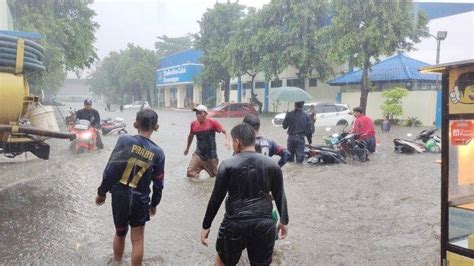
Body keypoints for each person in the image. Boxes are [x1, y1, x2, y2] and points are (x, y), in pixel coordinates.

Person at [200, 123, 289, 266]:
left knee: (222, 263)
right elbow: (280, 195)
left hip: (235, 224)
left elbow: (216, 197)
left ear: (237, 142)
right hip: (264, 224)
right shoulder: (272, 165)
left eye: (232, 142)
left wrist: (206, 225)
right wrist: (284, 221)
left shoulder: (227, 165)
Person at [95, 109, 165, 266]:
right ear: (156, 127)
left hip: (120, 196)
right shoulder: (158, 153)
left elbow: (111, 170)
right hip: (141, 199)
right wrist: (154, 204)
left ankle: (117, 262)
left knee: (120, 233)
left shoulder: (124, 140)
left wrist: (102, 193)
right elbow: (159, 184)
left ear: (135, 124)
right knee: (138, 239)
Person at [184, 104, 229, 178]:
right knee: (190, 173)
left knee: (214, 177)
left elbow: (225, 131)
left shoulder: (213, 122)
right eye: (196, 113)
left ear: (205, 114)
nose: (198, 115)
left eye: (200, 113)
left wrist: (227, 141)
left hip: (211, 156)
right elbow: (190, 136)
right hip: (198, 155)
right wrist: (187, 148)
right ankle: (199, 187)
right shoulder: (193, 124)